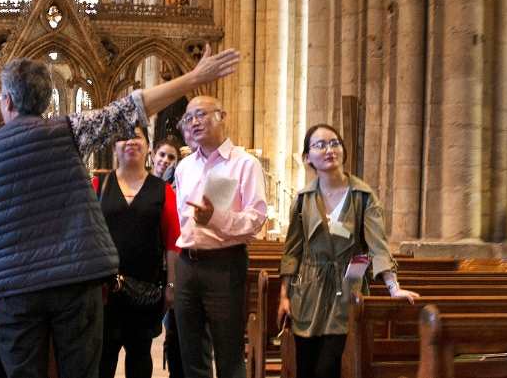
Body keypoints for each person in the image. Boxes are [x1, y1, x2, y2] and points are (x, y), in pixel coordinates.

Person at [0, 47, 241, 378]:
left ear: (8, 101)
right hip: (74, 281)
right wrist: (194, 78)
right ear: (44, 102)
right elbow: (129, 109)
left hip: (15, 287)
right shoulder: (67, 130)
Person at [277, 124, 418, 378]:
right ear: (308, 158)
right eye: (320, 145)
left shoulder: (363, 197)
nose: (329, 149)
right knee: (306, 366)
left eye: (334, 143)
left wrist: (393, 288)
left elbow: (378, 246)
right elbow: (292, 251)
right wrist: (284, 296)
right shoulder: (303, 199)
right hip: (308, 291)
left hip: (348, 287)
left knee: (328, 368)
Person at [171, 96, 268, 378]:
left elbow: (256, 219)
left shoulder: (244, 164)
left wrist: (215, 218)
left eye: (201, 114)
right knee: (191, 354)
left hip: (225, 265)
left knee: (229, 353)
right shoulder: (184, 167)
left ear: (222, 116)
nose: (194, 122)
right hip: (187, 264)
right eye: (189, 118)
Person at [94, 128, 179, 378]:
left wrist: (171, 286)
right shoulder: (98, 186)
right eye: (122, 137)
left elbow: (173, 242)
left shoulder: (163, 190)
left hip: (145, 290)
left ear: (148, 148)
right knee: (102, 361)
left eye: (137, 137)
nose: (130, 141)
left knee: (140, 360)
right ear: (114, 149)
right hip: (105, 293)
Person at [148, 136, 188, 374]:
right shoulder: (143, 184)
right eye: (162, 155)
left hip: (174, 265)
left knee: (174, 331)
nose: (165, 161)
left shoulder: (179, 188)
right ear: (152, 156)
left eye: (171, 157)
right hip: (150, 267)